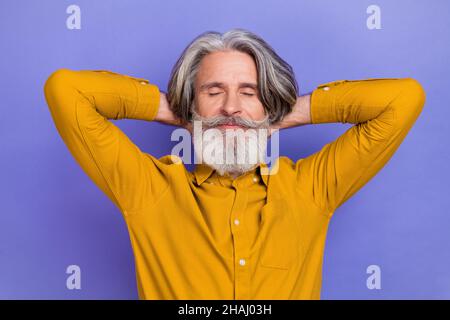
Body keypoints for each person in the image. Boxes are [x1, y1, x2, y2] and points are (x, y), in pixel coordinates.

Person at [43, 28, 426, 299]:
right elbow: (66, 90)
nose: (230, 107)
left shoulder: (312, 189)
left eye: (249, 92)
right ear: (191, 104)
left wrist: (282, 114)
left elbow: (403, 99)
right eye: (213, 91)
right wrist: (178, 110)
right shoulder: (149, 189)